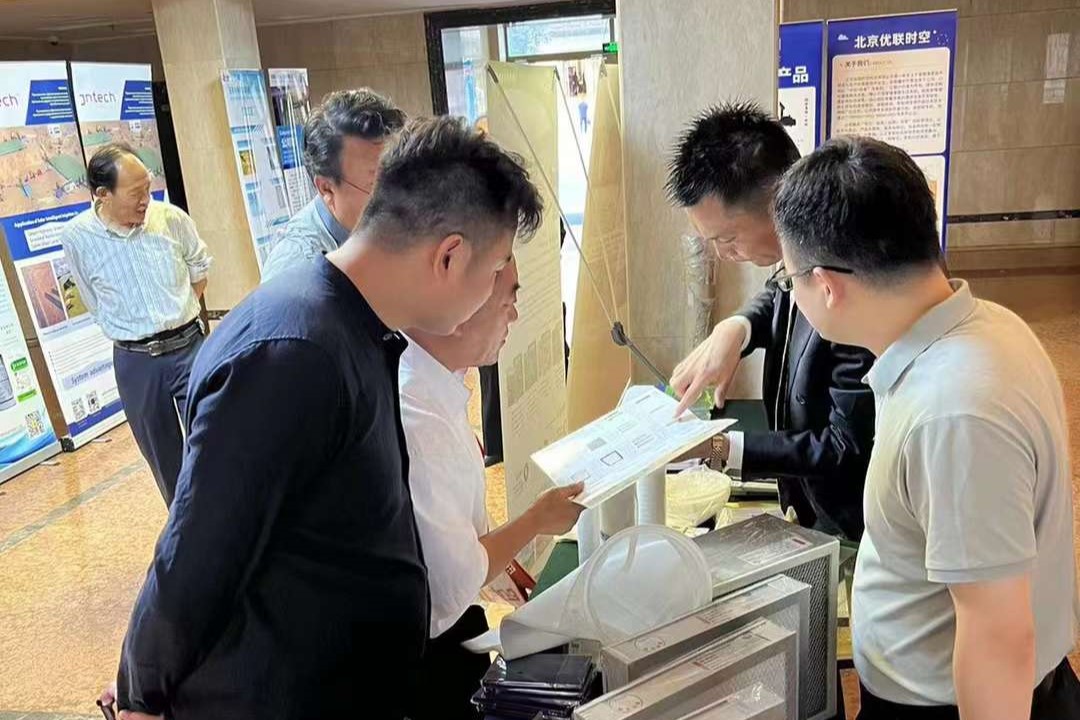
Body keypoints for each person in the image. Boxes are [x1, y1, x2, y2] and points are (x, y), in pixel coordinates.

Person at [101, 116, 544, 720]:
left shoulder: (359, 327)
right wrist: (142, 694)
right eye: (495, 272)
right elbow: (198, 551)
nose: (495, 293)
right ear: (450, 256)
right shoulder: (295, 352)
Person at [772, 135, 1080, 719]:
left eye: (790, 282)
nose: (792, 296)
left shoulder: (954, 410)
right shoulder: (980, 325)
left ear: (827, 285)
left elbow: (998, 638)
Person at [665, 101, 875, 541]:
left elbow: (844, 446)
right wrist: (736, 328)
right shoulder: (796, 255)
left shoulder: (844, 282)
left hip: (847, 526)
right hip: (803, 505)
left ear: (781, 201)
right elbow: (777, 294)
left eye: (727, 238)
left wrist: (721, 449)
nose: (722, 254)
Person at [400, 258, 585, 719]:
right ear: (462, 303)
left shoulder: (435, 384)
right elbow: (453, 579)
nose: (515, 316)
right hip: (426, 657)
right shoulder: (416, 416)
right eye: (508, 300)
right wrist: (535, 521)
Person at [61, 143, 211, 506]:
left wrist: (178, 313)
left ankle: (235, 524)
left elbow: (199, 267)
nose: (147, 200)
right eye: (136, 193)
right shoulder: (78, 237)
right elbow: (93, 299)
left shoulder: (170, 218)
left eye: (148, 188)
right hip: (136, 362)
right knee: (165, 461)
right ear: (102, 194)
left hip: (190, 349)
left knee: (217, 441)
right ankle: (188, 532)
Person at [260, 88, 405, 281]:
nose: (399, 196)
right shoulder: (299, 269)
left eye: (401, 175)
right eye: (379, 185)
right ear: (327, 189)